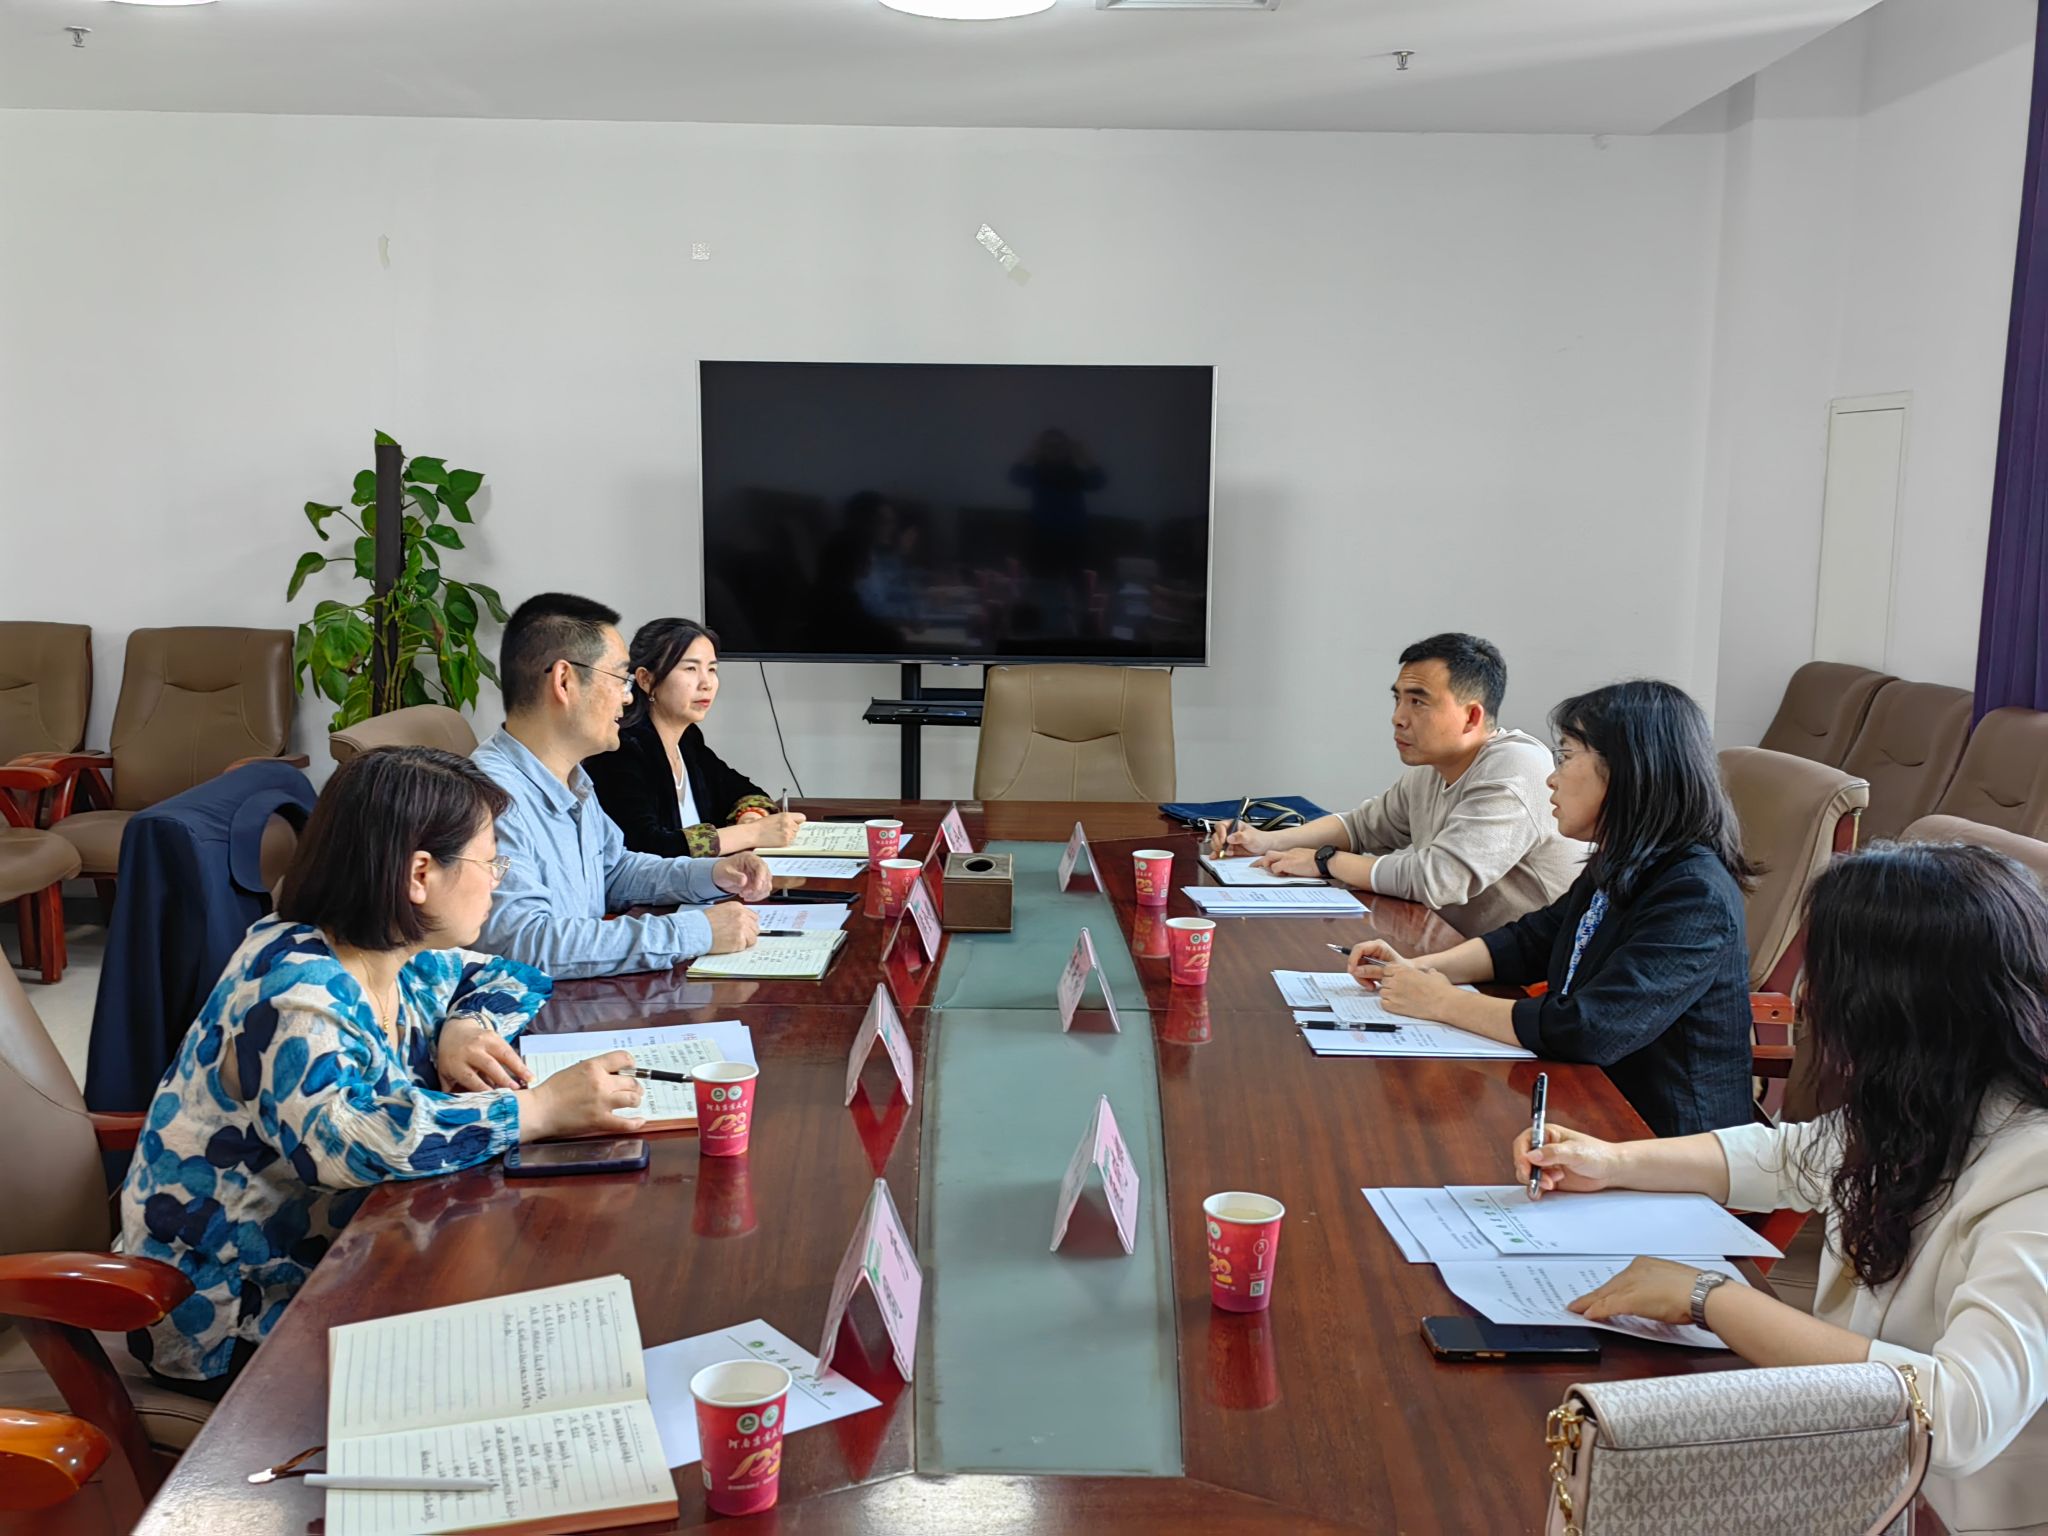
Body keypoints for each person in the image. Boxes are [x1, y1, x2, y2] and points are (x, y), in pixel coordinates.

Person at [1518, 842, 2048, 1535]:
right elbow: (1788, 1155)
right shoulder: (1935, 1098)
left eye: (1826, 979)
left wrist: (1708, 1297)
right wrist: (1610, 1161)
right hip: (1857, 1464)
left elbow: (1956, 1415)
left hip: (1949, 1514)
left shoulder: (2033, 1174)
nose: (1803, 1002)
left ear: (1900, 1006)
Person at [117, 746, 646, 1392]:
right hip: (234, 1312)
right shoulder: (295, 990)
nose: (498, 880)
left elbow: (514, 977)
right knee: (519, 1361)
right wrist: (535, 1111)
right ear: (419, 874)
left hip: (350, 1252)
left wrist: (465, 1025)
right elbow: (349, 1142)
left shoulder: (399, 953)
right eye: (490, 862)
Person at [1347, 679, 1753, 1137]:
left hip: (1662, 1142)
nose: (1552, 778)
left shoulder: (1695, 893)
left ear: (1628, 771)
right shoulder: (1621, 860)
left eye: (1566, 756)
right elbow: (1531, 941)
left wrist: (1442, 1002)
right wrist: (1419, 969)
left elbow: (1591, 1028)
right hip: (1586, 1110)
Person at [472, 592, 772, 979]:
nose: (628, 697)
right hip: (541, 1008)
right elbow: (527, 944)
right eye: (620, 679)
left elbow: (615, 871)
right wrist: (695, 932)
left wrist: (712, 874)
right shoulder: (491, 799)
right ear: (564, 681)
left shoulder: (573, 778)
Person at [1217, 633, 1583, 937]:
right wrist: (1268, 841)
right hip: (1461, 950)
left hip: (1529, 979)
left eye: (1418, 702)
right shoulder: (1433, 766)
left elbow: (1438, 878)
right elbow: (1362, 827)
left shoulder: (1515, 766)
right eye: (1398, 699)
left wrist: (1326, 862)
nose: (1398, 718)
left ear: (1472, 716)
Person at [583, 617, 806, 858]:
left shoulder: (687, 739)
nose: (706, 683)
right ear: (646, 679)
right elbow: (646, 847)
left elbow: (742, 790)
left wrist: (750, 816)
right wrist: (752, 833)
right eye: (691, 669)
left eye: (712, 669)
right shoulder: (621, 750)